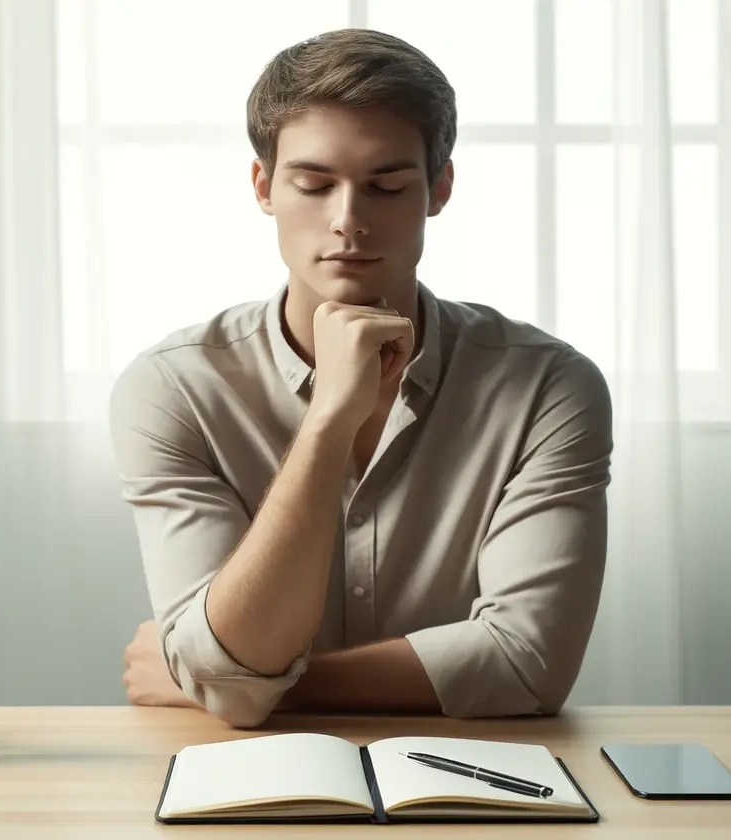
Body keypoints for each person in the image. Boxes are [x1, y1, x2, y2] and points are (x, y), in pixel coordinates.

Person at [109, 28, 612, 729]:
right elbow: (225, 672)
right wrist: (327, 421)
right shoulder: (174, 389)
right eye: (314, 184)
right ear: (264, 187)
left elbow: (528, 664)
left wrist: (219, 679)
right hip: (244, 787)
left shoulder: (548, 389)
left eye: (387, 185)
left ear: (438, 189)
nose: (348, 221)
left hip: (468, 790)